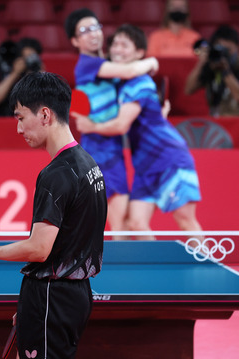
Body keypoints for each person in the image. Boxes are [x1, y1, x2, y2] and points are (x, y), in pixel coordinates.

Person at [0, 71, 107, 359]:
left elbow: (39, 249)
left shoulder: (56, 174)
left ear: (45, 115)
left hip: (52, 296)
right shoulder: (89, 164)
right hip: (73, 296)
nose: (18, 128)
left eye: (20, 117)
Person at [73, 24, 202, 240]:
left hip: (169, 159)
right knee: (136, 223)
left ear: (139, 53)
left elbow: (121, 125)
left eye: (125, 45)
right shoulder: (121, 85)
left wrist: (91, 127)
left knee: (185, 220)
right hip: (144, 165)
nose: (117, 49)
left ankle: (207, 270)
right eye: (114, 44)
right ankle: (157, 272)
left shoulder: (139, 83)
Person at [64, 8, 158, 233]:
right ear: (75, 41)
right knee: (119, 225)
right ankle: (122, 269)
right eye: (85, 31)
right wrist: (152, 61)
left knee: (123, 223)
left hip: (113, 147)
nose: (93, 33)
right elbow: (131, 70)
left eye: (96, 27)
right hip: (99, 151)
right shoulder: (88, 64)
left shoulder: (104, 65)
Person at [184, 25, 239, 117]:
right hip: (217, 124)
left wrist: (225, 71)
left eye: (228, 50)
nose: (224, 53)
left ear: (238, 48)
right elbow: (188, 90)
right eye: (220, 49)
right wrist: (201, 63)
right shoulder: (212, 65)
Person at [0, 37, 44, 116]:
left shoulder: (37, 74)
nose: (26, 62)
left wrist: (37, 77)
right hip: (1, 120)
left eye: (30, 58)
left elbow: (40, 105)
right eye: (24, 58)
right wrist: (15, 73)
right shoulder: (1, 71)